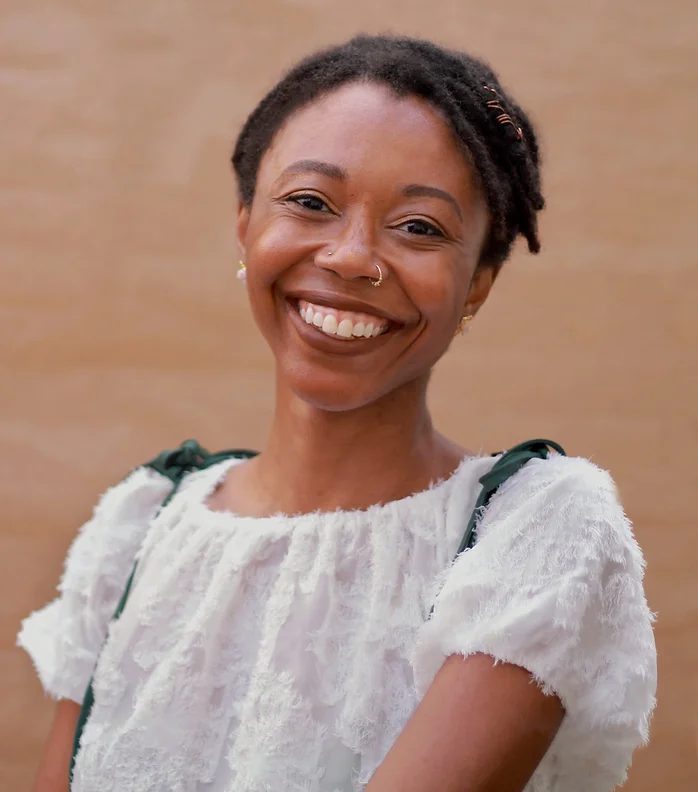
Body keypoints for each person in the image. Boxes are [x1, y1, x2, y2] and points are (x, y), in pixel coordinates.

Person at [19, 35, 656, 792]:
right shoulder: (136, 530)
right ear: (246, 223)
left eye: (419, 226)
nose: (353, 257)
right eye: (310, 203)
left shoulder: (532, 536)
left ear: (479, 283)